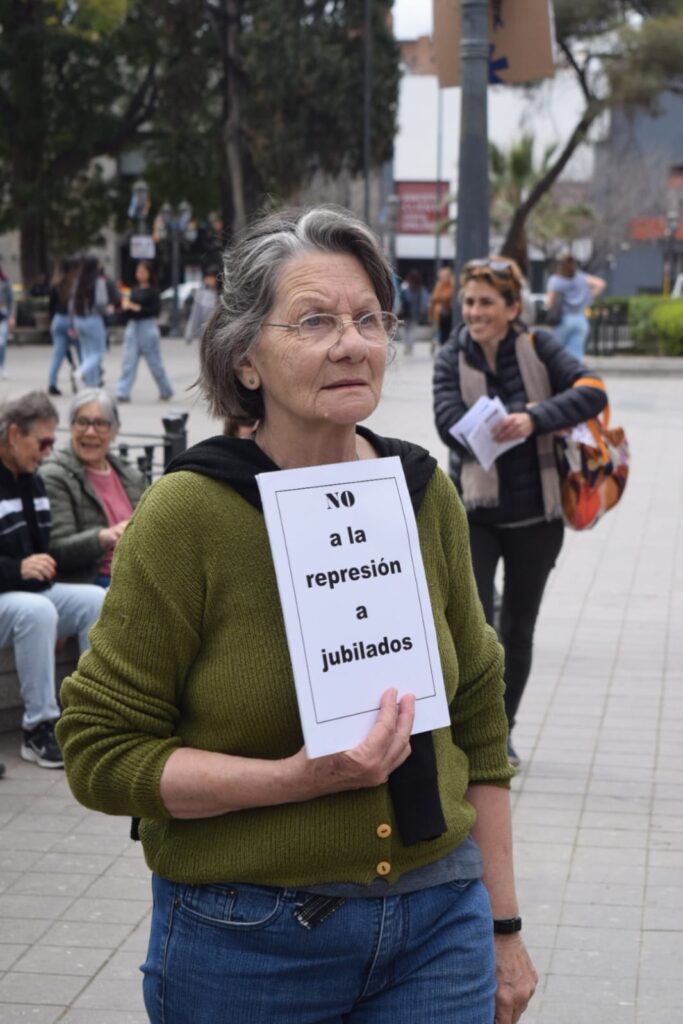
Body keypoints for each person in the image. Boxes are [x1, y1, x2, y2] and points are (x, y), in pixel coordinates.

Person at [57, 206, 537, 1024]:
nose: (351, 343)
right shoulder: (188, 515)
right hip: (248, 939)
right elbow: (101, 754)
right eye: (314, 320)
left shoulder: (423, 494)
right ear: (245, 357)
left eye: (367, 319)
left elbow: (478, 712)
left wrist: (503, 925)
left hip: (438, 923)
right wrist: (294, 780)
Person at [433, 256, 607, 767]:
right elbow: (445, 422)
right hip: (477, 512)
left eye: (487, 302)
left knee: (519, 628)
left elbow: (592, 391)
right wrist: (486, 425)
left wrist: (533, 419)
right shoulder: (451, 356)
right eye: (469, 301)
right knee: (478, 626)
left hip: (538, 516)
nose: (474, 311)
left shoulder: (539, 346)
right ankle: (475, 733)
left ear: (513, 307)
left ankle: (502, 732)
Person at [0, 391, 105, 768]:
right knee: (38, 611)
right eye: (42, 441)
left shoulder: (31, 478)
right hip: (14, 595)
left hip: (27, 592)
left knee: (95, 600)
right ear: (14, 434)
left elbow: (44, 554)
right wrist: (17, 569)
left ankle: (93, 718)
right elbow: (25, 566)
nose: (47, 451)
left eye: (51, 443)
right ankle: (39, 727)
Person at [40, 389, 147, 587]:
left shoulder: (129, 474)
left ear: (115, 430)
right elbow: (57, 549)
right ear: (71, 427)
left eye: (100, 424)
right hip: (93, 579)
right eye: (82, 422)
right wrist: (103, 537)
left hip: (137, 573)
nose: (90, 432)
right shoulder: (55, 475)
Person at [116, 261, 174, 403]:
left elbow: (155, 311)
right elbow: (127, 312)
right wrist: (126, 308)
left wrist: (138, 308)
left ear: (149, 273)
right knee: (128, 361)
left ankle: (165, 389)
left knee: (155, 362)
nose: (140, 274)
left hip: (147, 328)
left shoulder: (153, 291)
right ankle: (122, 391)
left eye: (143, 272)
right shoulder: (134, 290)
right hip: (133, 327)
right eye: (138, 271)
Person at [545, 253, 606, 361]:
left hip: (562, 319)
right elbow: (600, 283)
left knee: (558, 353)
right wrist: (589, 297)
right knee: (576, 353)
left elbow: (550, 302)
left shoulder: (555, 280)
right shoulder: (581, 278)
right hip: (580, 318)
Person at [71, 256, 113, 389]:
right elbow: (101, 302)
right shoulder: (98, 281)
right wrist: (108, 310)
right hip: (93, 319)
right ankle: (80, 372)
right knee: (98, 352)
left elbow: (71, 304)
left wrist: (72, 323)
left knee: (86, 352)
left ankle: (91, 384)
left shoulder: (78, 281)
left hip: (79, 319)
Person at [47, 256, 81, 396]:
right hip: (72, 320)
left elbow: (51, 306)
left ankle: (52, 383)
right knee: (83, 353)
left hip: (58, 319)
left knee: (58, 355)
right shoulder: (76, 284)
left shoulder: (57, 283)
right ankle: (88, 380)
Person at [183, 265, 219, 344]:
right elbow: (195, 315)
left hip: (220, 334)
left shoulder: (223, 294)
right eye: (207, 277)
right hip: (205, 334)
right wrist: (189, 334)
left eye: (211, 278)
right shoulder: (201, 294)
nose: (208, 280)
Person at [399, 268, 429, 354]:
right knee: (412, 330)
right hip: (415, 313)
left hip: (405, 312)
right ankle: (410, 346)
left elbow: (403, 300)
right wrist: (422, 312)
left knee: (406, 330)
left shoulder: (406, 288)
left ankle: (406, 346)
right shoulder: (421, 289)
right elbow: (424, 303)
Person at [428, 265, 455, 348]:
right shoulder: (438, 286)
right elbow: (433, 301)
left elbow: (450, 297)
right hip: (439, 315)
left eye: (444, 275)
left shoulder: (452, 285)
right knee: (440, 333)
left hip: (449, 314)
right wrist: (431, 315)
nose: (442, 277)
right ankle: (438, 344)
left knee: (447, 333)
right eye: (441, 276)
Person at [0, 262, 16, 380]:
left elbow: (11, 301)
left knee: (1, 344)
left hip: (2, 316)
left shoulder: (5, 283)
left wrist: (12, 316)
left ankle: (2, 366)